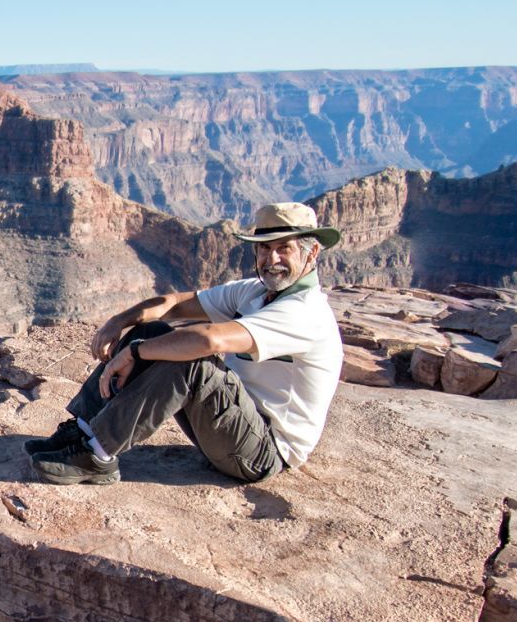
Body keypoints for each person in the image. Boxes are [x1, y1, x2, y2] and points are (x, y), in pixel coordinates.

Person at [27, 202, 344, 485]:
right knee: (153, 331)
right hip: (228, 424)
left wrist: (133, 353)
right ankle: (83, 431)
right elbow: (175, 303)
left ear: (311, 253)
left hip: (262, 452)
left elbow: (210, 339)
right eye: (263, 248)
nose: (270, 258)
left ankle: (96, 456)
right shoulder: (255, 293)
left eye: (283, 248)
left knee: (194, 358)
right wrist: (121, 321)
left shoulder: (305, 312)